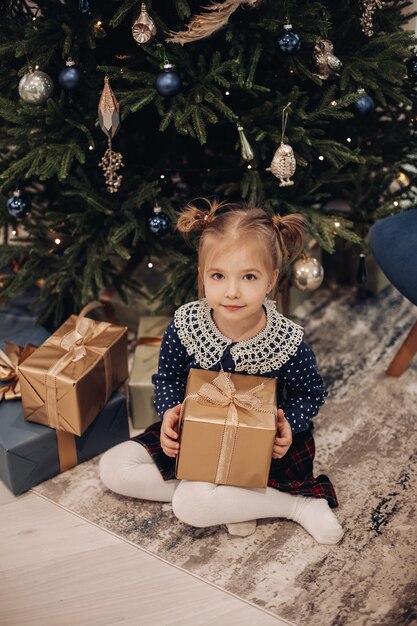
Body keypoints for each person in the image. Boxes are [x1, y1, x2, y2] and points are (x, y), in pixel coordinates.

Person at [100, 200, 344, 544]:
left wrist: (288, 423)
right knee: (113, 468)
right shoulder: (186, 325)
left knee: (189, 505)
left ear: (271, 280)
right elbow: (167, 378)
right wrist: (170, 411)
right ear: (203, 275)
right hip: (197, 434)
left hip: (264, 451)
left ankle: (297, 505)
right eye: (218, 276)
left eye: (248, 277)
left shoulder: (288, 341)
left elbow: (311, 394)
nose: (231, 291)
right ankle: (232, 503)